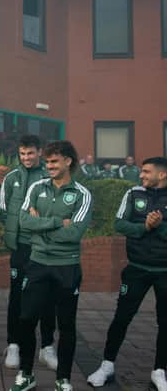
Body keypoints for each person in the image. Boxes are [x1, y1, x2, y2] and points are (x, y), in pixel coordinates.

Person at [9, 140, 93, 391]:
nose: (49, 166)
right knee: (26, 319)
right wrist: (57, 222)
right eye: (47, 162)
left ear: (68, 161)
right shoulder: (37, 187)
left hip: (67, 268)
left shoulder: (82, 194)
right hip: (37, 264)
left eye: (54, 161)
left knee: (66, 325)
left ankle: (63, 379)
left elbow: (75, 234)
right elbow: (24, 222)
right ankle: (26, 374)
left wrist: (41, 227)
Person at [87, 157, 167, 391]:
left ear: (162, 175)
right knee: (122, 317)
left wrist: (160, 226)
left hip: (165, 271)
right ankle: (107, 365)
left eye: (146, 171)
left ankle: (159, 371)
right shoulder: (133, 193)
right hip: (136, 269)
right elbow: (120, 224)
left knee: (165, 322)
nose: (141, 175)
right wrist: (145, 227)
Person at [0, 135, 57, 370]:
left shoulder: (48, 178)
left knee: (46, 297)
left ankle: (47, 347)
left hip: (43, 247)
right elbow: (3, 210)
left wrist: (38, 227)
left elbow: (56, 209)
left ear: (39, 152)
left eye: (30, 153)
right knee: (17, 297)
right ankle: (14, 344)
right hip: (20, 248)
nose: (26, 158)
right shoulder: (11, 178)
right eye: (22, 154)